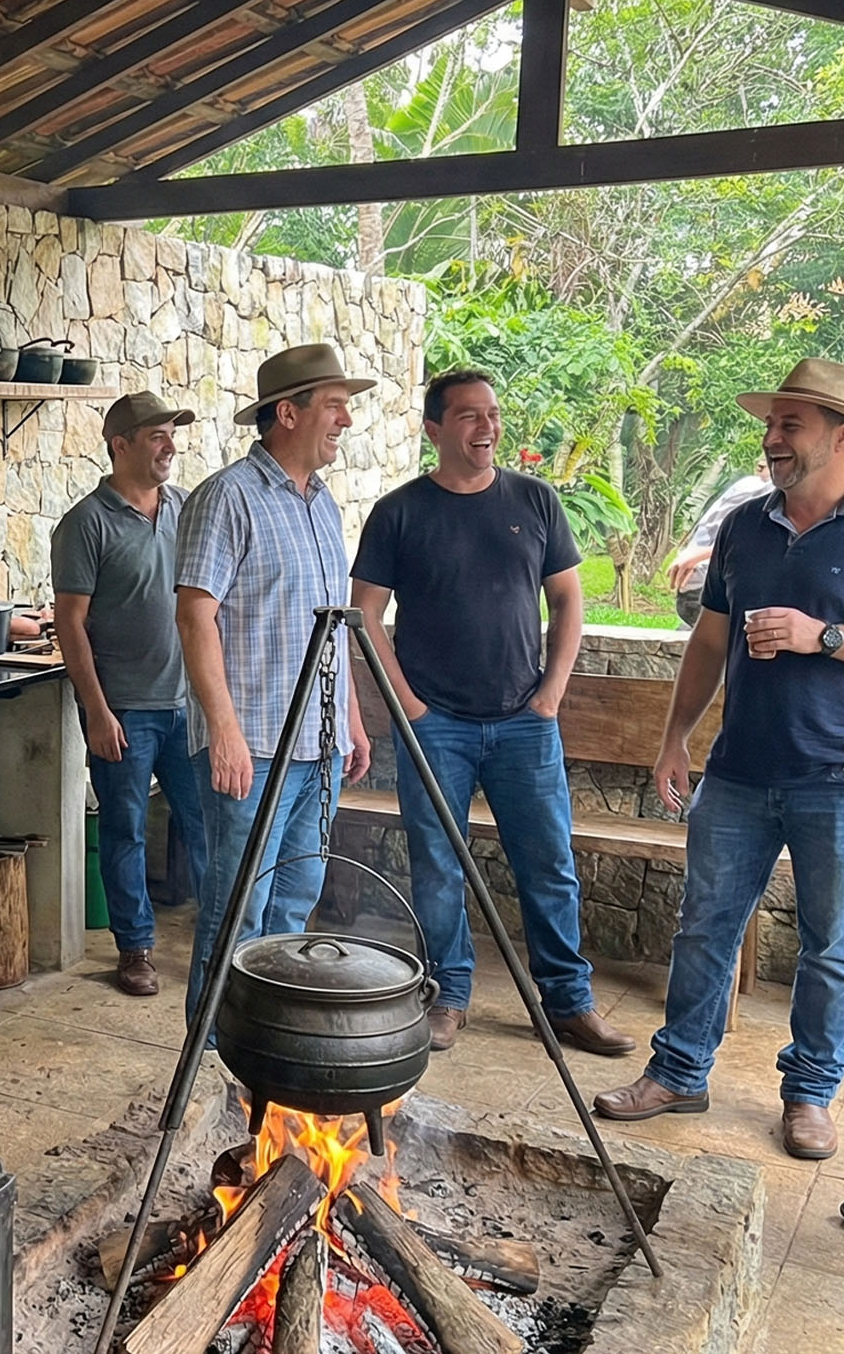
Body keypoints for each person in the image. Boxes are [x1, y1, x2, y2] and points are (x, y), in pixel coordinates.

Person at [595, 358, 844, 1161]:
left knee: (830, 947)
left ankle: (810, 1092)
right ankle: (678, 1071)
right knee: (703, 927)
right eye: (770, 424)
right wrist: (675, 736)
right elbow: (709, 641)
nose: (772, 438)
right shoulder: (742, 525)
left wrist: (821, 636)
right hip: (737, 772)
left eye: (790, 424)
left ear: (839, 436)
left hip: (834, 780)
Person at [350, 369, 635, 1056]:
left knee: (548, 864)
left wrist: (550, 693)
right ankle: (448, 994)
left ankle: (567, 1002)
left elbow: (568, 600)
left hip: (523, 723)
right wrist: (409, 706)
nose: (488, 427)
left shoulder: (534, 500)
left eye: (494, 413)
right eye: (470, 415)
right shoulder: (399, 512)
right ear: (434, 429)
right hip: (435, 727)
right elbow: (365, 613)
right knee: (437, 864)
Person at [176, 343, 374, 1020]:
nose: (346, 419)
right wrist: (223, 732)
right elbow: (195, 615)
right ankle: (209, 1045)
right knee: (240, 904)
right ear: (287, 413)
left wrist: (351, 719)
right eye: (334, 405)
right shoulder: (227, 497)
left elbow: (334, 626)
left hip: (320, 748)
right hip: (255, 747)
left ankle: (268, 1037)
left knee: (295, 899)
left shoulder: (323, 505)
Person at [53, 391, 209, 997]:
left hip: (190, 705)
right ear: (120, 446)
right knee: (125, 831)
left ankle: (224, 941)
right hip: (124, 710)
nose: (170, 446)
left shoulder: (186, 509)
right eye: (157, 436)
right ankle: (136, 949)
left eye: (173, 435)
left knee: (210, 826)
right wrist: (96, 711)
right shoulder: (85, 524)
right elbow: (70, 624)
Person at [669, 461, 772, 627]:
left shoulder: (779, 493)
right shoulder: (749, 485)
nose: (761, 463)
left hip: (717, 585)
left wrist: (698, 556)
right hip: (698, 586)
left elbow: (754, 540)